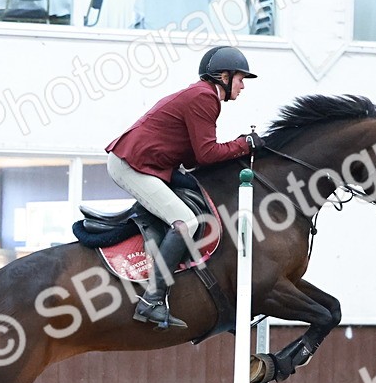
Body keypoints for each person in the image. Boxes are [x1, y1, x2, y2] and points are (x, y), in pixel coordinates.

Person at [105, 46, 264, 330]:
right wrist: (244, 144)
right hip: (132, 165)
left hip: (145, 164)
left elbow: (193, 156)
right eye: (240, 79)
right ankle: (152, 299)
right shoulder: (205, 97)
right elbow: (206, 155)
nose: (242, 86)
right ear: (223, 76)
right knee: (186, 222)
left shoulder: (202, 95)